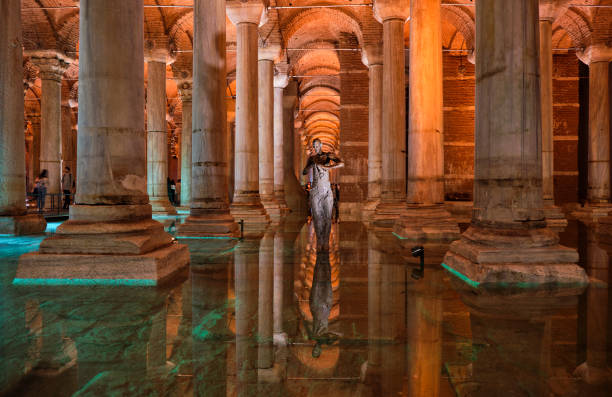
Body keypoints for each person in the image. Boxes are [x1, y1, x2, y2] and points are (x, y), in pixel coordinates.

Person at [302, 139, 344, 251]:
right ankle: (319, 240)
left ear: (320, 145)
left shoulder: (328, 155)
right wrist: (308, 167)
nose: (315, 147)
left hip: (326, 190)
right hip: (315, 190)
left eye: (317, 145)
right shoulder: (312, 158)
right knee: (317, 217)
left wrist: (329, 167)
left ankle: (325, 241)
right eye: (314, 146)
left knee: (327, 217)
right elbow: (304, 172)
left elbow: (341, 163)